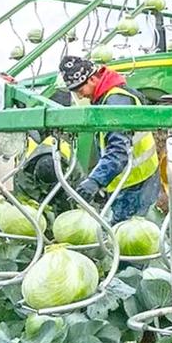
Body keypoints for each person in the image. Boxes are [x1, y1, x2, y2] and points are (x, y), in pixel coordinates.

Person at [59, 56, 161, 224]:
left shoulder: (116, 101)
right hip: (129, 180)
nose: (80, 95)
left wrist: (95, 181)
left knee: (130, 238)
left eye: (80, 89)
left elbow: (118, 150)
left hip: (136, 183)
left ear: (92, 78)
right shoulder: (107, 98)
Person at [13, 133, 83, 215]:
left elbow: (80, 182)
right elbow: (24, 193)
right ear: (35, 172)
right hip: (31, 185)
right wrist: (41, 202)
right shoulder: (24, 168)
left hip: (62, 184)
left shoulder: (70, 161)